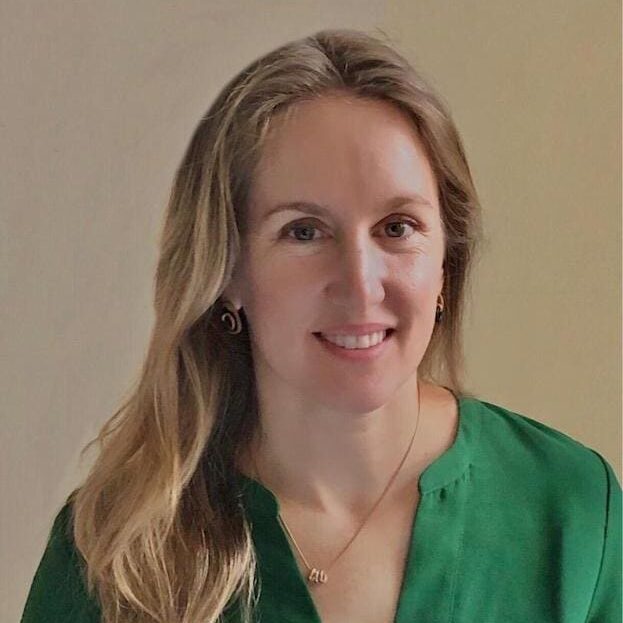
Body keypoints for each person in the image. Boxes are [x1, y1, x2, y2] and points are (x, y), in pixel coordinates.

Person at [21, 29, 621, 623]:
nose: (361, 283)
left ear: (447, 261)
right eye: (304, 231)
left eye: (397, 227)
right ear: (227, 270)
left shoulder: (571, 509)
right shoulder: (112, 553)